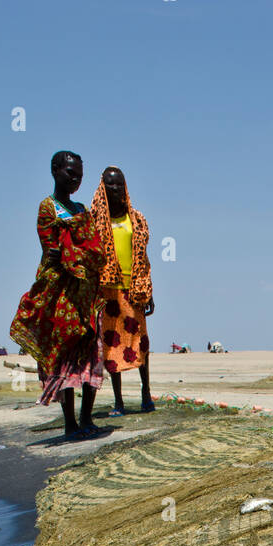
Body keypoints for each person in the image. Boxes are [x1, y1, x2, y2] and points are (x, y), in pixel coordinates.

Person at [10, 151, 106, 439]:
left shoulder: (80, 210)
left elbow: (95, 248)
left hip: (86, 295)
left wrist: (77, 253)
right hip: (60, 294)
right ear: (55, 171)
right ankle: (70, 424)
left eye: (79, 175)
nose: (75, 179)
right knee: (64, 355)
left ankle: (87, 418)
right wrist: (76, 253)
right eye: (70, 173)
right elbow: (51, 250)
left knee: (91, 353)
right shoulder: (48, 207)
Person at [90, 167, 154, 415]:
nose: (115, 190)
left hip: (134, 289)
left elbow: (144, 259)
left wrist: (149, 291)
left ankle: (146, 393)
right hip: (108, 293)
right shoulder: (96, 221)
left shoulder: (136, 219)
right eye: (110, 185)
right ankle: (118, 401)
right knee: (112, 346)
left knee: (141, 344)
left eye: (119, 185)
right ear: (102, 189)